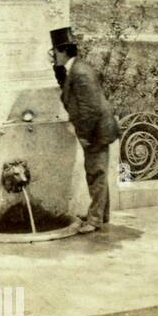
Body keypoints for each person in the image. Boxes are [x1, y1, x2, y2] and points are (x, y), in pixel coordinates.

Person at [50, 27, 121, 233]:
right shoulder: (77, 68)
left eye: (55, 52)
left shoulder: (80, 72)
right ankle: (101, 215)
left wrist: (85, 136)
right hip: (99, 128)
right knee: (97, 173)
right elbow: (74, 96)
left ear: (63, 50)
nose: (53, 56)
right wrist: (59, 75)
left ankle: (95, 220)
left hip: (96, 131)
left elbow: (89, 109)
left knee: (95, 174)